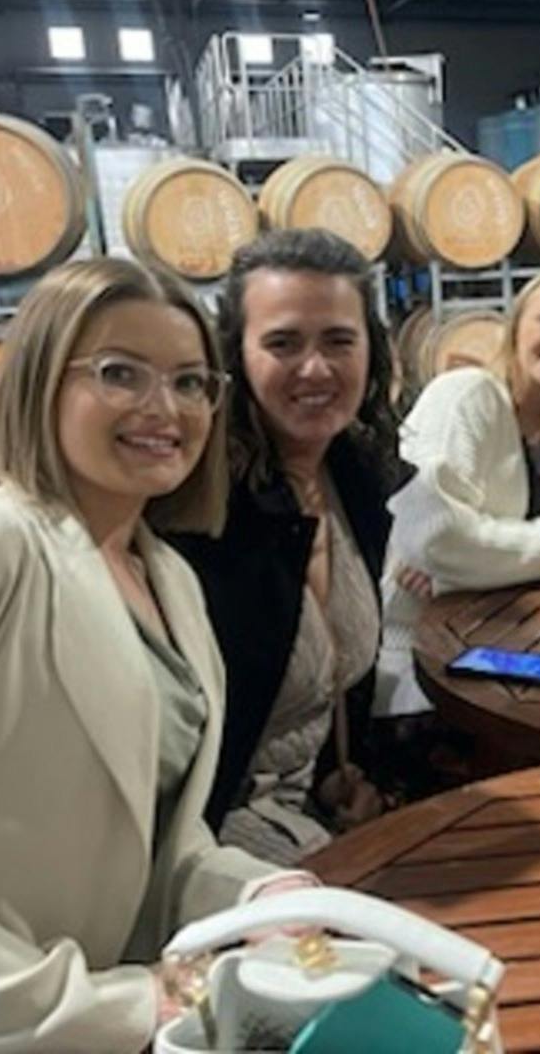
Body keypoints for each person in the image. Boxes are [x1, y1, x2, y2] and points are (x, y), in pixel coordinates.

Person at [0, 260, 309, 1053]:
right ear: (42, 381)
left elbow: (151, 845)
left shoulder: (170, 578)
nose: (165, 408)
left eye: (191, 382)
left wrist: (258, 893)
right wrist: (93, 1006)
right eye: (121, 373)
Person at [166, 229, 402, 862]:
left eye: (338, 341)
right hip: (210, 842)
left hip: (311, 818)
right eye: (282, 343)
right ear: (235, 355)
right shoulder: (198, 506)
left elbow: (321, 685)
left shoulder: (354, 475)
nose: (316, 368)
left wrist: (336, 773)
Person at [387, 265, 540, 595]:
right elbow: (434, 537)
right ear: (514, 331)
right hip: (420, 626)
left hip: (521, 609)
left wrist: (464, 565)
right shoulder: (464, 398)